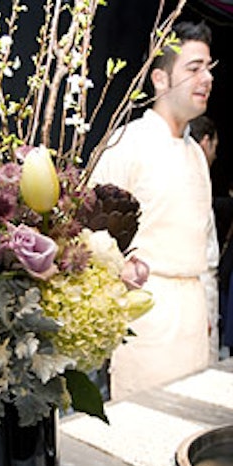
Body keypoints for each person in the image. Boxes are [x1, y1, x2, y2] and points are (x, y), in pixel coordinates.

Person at [89, 21, 214, 400]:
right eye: (193, 68)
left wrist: (209, 312)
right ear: (160, 79)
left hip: (195, 316)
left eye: (209, 67)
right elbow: (92, 236)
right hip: (146, 318)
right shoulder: (128, 142)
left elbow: (207, 248)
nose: (206, 78)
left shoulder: (195, 153)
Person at [189, 114, 220, 363]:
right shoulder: (190, 184)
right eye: (214, 148)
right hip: (195, 291)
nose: (215, 155)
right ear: (205, 143)